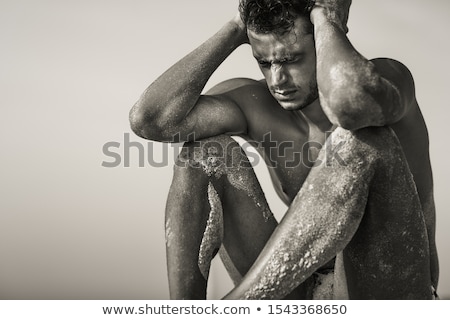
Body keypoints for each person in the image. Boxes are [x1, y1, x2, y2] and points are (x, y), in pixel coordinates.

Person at [129, 0, 439, 299]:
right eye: (265, 62)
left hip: (391, 288)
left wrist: (327, 19)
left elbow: (349, 105)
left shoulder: (384, 80)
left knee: (355, 141)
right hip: (304, 286)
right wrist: (237, 27)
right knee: (204, 153)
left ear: (323, 37)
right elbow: (151, 120)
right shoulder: (257, 104)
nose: (278, 79)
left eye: (291, 59)